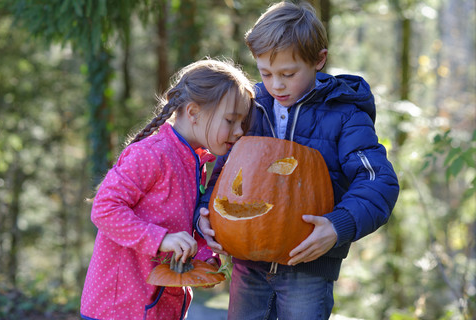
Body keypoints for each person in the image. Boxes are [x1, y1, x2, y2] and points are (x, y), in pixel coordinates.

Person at [197, 2, 399, 319]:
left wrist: (338, 225)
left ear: (319, 60)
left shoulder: (345, 115)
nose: (276, 84)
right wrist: (205, 213)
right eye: (266, 73)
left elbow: (378, 182)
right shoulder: (250, 106)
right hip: (247, 265)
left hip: (309, 263)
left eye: (288, 74)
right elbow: (225, 174)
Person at [80, 58, 255, 320]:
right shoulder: (151, 154)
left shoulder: (196, 161)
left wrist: (205, 258)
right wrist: (160, 239)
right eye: (231, 121)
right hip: (119, 308)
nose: (240, 131)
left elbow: (180, 224)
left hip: (162, 308)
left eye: (242, 123)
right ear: (194, 112)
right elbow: (104, 209)